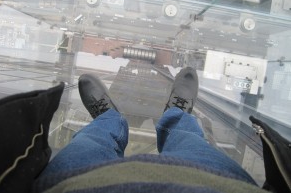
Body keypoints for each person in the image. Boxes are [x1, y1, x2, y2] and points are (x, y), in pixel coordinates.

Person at [33, 67, 267, 193]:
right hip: (212, 184)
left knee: (90, 143)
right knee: (192, 143)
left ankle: (108, 118)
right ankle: (177, 115)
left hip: (71, 185)